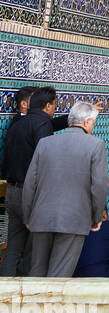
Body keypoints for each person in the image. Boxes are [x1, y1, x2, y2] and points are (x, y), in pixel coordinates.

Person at [22, 102, 109, 278]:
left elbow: (30, 182)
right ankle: (50, 306)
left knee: (37, 271)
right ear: (87, 122)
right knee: (59, 274)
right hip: (74, 220)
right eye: (93, 123)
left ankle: (34, 305)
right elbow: (100, 185)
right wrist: (97, 216)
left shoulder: (45, 143)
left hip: (41, 217)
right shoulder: (96, 145)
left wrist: (28, 215)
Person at [0, 84, 60, 276]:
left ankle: (5, 293)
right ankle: (26, 296)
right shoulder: (41, 125)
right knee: (34, 250)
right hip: (31, 194)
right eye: (54, 105)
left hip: (12, 191)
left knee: (13, 247)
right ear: (48, 106)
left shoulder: (17, 124)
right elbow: (45, 159)